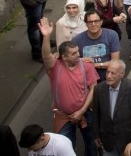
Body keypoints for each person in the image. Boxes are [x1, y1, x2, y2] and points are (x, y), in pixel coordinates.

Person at [38, 17, 100, 156]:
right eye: (73, 53)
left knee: (91, 144)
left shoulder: (87, 66)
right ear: (63, 57)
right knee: (64, 147)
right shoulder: (55, 67)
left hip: (86, 113)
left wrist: (81, 111)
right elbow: (46, 56)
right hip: (63, 116)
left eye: (78, 51)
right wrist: (46, 37)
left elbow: (93, 88)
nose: (78, 55)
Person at [92, 60, 131, 156]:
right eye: (107, 72)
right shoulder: (98, 89)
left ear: (122, 74)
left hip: (128, 140)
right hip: (108, 141)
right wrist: (97, 135)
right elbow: (96, 114)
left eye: (113, 73)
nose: (108, 76)